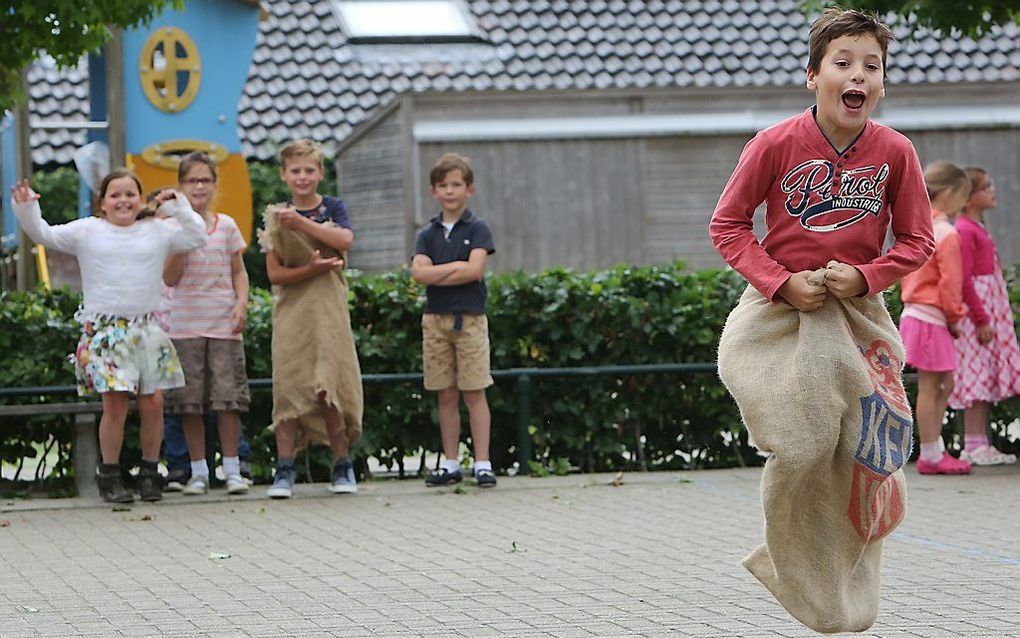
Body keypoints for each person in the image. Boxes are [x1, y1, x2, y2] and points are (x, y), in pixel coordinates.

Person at [710, 8, 933, 632]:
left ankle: (836, 580)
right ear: (813, 76)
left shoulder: (896, 152)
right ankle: (789, 559)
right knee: (803, 444)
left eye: (872, 66)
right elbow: (728, 226)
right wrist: (781, 283)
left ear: (882, 85)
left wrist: (866, 276)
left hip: (860, 316)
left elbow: (918, 240)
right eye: (843, 63)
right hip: (781, 313)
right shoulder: (775, 143)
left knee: (869, 456)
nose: (857, 74)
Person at [11, 171, 207, 503]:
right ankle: (110, 475)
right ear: (102, 203)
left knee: (154, 403)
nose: (123, 201)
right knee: (114, 404)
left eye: (130, 194)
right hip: (105, 331)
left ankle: (149, 472)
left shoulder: (157, 231)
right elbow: (43, 234)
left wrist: (177, 207)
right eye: (115, 195)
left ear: (141, 199)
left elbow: (197, 236)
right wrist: (27, 208)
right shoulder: (88, 230)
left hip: (145, 329)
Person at [260, 139, 363, 499]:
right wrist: (309, 268)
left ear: (319, 173)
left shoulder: (333, 207)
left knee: (329, 387)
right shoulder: (276, 216)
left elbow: (345, 240)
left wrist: (302, 225)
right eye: (295, 171)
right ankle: (284, 468)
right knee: (289, 388)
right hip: (292, 313)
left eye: (309, 170)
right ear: (284, 175)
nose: (302, 177)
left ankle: (342, 464)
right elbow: (274, 274)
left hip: (330, 312)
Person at [163, 152, 252, 495]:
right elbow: (169, 279)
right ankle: (197, 472)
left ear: (215, 184)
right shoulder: (170, 229)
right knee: (190, 403)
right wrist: (186, 238)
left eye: (205, 180)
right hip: (184, 325)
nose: (199, 187)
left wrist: (241, 304)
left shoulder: (227, 225)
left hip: (222, 324)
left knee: (227, 400)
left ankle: (232, 469)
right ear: (181, 187)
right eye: (191, 181)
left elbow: (238, 272)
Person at [410, 153, 497, 488]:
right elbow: (418, 274)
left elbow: (475, 270)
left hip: (470, 319)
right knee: (444, 393)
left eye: (456, 184)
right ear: (434, 191)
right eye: (443, 185)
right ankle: (449, 462)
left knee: (474, 391)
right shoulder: (427, 233)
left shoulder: (478, 228)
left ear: (469, 189)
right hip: (435, 320)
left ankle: (483, 462)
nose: (450, 191)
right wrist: (455, 269)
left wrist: (437, 273)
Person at [899, 162, 972, 475]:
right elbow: (950, 284)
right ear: (952, 193)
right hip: (932, 316)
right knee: (934, 386)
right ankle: (930, 453)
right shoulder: (946, 233)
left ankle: (933, 449)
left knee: (941, 383)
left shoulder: (920, 226)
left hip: (918, 314)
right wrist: (956, 317)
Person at [948, 167, 1020, 465]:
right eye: (985, 187)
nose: (993, 190)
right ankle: (973, 444)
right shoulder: (965, 230)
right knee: (976, 378)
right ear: (968, 197)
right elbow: (964, 279)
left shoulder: (977, 228)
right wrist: (981, 319)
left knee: (985, 374)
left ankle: (979, 442)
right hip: (977, 317)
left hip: (988, 312)